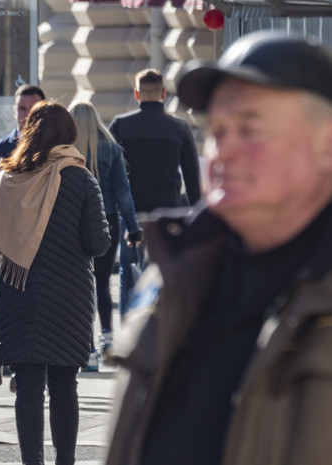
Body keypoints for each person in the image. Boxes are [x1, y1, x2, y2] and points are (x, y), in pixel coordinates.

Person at [106, 31, 332, 465]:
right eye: (216, 131)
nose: (223, 150)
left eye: (249, 129)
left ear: (326, 145)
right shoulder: (174, 272)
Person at [0, 101, 110, 465]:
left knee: (28, 388)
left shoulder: (10, 178)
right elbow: (97, 244)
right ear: (68, 134)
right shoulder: (81, 179)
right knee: (65, 384)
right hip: (71, 298)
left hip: (21, 294)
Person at [108, 68, 201, 314]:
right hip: (168, 213)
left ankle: (129, 331)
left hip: (132, 214)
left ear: (137, 94)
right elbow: (193, 179)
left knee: (129, 272)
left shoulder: (120, 125)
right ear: (164, 93)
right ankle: (163, 324)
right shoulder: (180, 128)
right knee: (165, 272)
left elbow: (109, 172)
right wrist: (199, 215)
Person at [69, 102, 142, 366]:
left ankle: (86, 348)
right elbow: (124, 194)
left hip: (72, 224)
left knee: (79, 284)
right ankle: (108, 340)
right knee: (101, 283)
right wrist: (133, 228)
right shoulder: (111, 149)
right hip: (107, 222)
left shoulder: (66, 151)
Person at [0, 84, 45, 224]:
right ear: (14, 111)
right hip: (7, 235)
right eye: (22, 109)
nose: (27, 116)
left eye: (33, 109)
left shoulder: (52, 150)